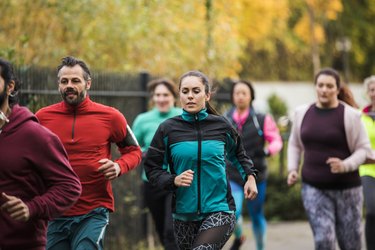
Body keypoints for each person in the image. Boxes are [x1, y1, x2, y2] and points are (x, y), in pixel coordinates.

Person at [35, 56, 142, 250]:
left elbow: (134, 151)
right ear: (58, 84)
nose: (69, 85)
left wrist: (119, 166)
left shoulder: (111, 116)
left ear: (88, 83)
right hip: (55, 209)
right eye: (64, 81)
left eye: (75, 80)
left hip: (93, 210)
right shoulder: (42, 117)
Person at [144, 70, 258, 250]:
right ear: (179, 95)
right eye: (185, 91)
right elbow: (152, 168)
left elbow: (239, 155)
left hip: (220, 209)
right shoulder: (168, 129)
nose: (190, 96)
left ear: (207, 95)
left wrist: (250, 178)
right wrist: (173, 180)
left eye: (196, 91)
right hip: (183, 214)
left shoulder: (221, 125)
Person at [287, 68, 373, 250]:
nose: (324, 89)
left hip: (348, 190)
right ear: (315, 87)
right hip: (313, 187)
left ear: (337, 89)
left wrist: (345, 165)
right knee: (323, 239)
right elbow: (294, 143)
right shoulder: (303, 113)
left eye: (329, 86)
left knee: (350, 244)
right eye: (320, 85)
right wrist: (292, 169)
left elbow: (363, 150)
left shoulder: (351, 115)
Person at [0, 58, 81, 250]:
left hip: (20, 244)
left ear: (10, 87)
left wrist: (31, 208)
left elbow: (69, 186)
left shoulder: (33, 135)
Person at [224, 80, 283, 250]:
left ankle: (260, 247)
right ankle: (239, 236)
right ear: (232, 96)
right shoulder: (225, 119)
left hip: (256, 175)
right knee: (232, 213)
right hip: (233, 174)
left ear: (251, 96)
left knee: (256, 216)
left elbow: (276, 140)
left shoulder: (261, 119)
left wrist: (268, 151)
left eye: (244, 93)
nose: (240, 96)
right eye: (237, 93)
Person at [132, 78, 181, 249]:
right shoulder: (142, 120)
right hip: (152, 182)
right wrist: (145, 153)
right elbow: (132, 148)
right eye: (158, 95)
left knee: (171, 231)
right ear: (153, 98)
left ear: (173, 97)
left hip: (177, 181)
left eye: (165, 95)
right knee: (162, 230)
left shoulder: (182, 116)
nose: (161, 99)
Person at [360, 75, 375, 250]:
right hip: (367, 169)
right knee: (372, 210)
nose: (374, 93)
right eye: (372, 89)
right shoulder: (360, 116)